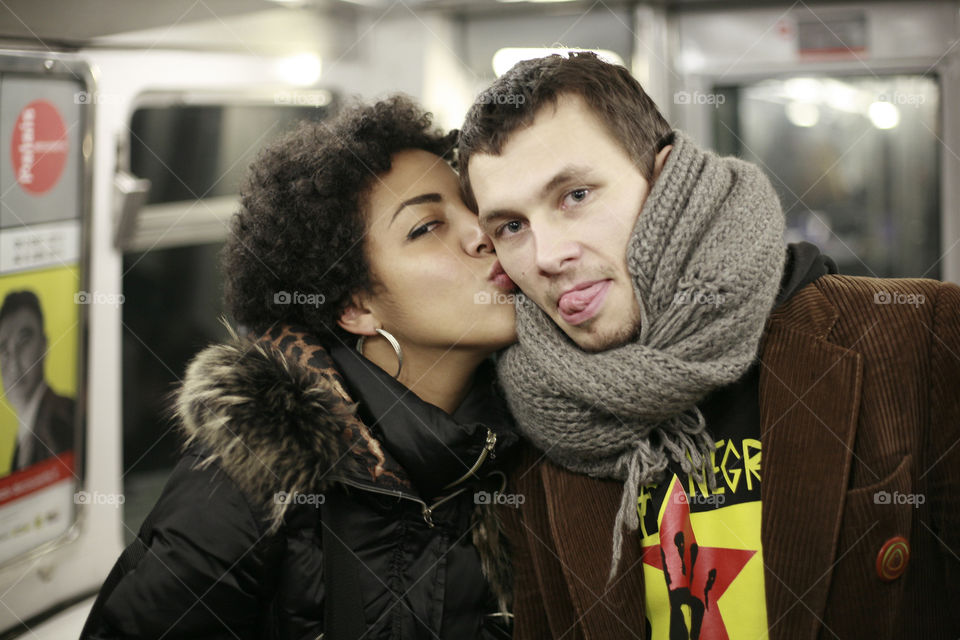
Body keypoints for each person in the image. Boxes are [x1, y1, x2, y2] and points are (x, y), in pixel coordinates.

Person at [459, 52, 960, 639]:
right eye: (511, 227)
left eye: (575, 196)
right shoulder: (535, 419)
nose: (546, 256)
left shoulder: (917, 338)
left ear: (669, 178)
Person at [81, 95, 520, 640]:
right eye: (426, 226)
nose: (483, 234)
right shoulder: (250, 480)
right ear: (356, 308)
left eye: (473, 207)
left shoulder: (528, 444)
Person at [0, 290, 75, 474]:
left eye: (24, 342)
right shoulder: (24, 436)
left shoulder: (63, 418)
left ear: (44, 344)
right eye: (3, 349)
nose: (14, 363)